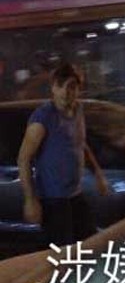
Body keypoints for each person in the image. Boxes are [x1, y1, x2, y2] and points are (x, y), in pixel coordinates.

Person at [17, 62, 109, 246]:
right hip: (53, 200)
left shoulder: (78, 110)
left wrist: (98, 174)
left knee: (90, 245)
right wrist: (30, 200)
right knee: (62, 254)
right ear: (53, 88)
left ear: (78, 89)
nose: (65, 92)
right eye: (60, 86)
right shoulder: (44, 117)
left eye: (72, 86)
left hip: (75, 195)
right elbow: (23, 159)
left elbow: (80, 144)